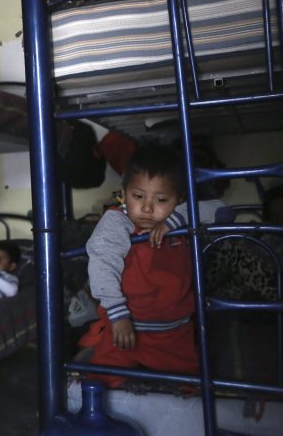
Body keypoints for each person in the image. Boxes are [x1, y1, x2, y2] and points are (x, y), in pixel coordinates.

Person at [79, 144, 231, 388]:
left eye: (161, 199)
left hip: (173, 333)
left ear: (179, 200)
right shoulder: (117, 222)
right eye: (138, 196)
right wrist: (118, 315)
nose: (148, 208)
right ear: (124, 192)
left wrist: (177, 219)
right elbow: (102, 266)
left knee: (196, 384)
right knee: (98, 383)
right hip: (123, 327)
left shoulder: (180, 222)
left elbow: (224, 212)